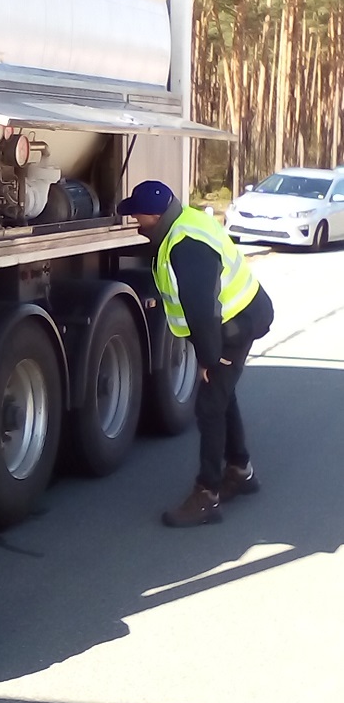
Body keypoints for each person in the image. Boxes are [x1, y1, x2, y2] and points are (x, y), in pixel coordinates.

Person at [120, 180, 274, 527]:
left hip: (237, 324)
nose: (136, 222)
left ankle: (207, 495)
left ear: (155, 214)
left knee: (209, 405)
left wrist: (209, 359)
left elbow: (203, 310)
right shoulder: (180, 225)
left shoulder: (185, 245)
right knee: (222, 395)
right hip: (236, 319)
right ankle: (241, 471)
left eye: (138, 216)